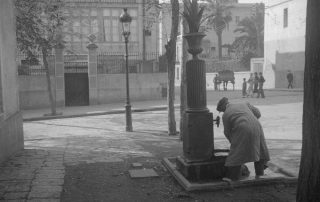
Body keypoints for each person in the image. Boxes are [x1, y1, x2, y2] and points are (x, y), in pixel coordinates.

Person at [216, 97, 270, 181]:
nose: (222, 112)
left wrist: (234, 142)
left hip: (242, 127)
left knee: (236, 154)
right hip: (257, 125)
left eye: (222, 110)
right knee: (260, 151)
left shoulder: (225, 115)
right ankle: (260, 175)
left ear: (223, 107)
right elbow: (258, 114)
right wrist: (249, 118)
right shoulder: (244, 103)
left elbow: (227, 132)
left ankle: (233, 178)